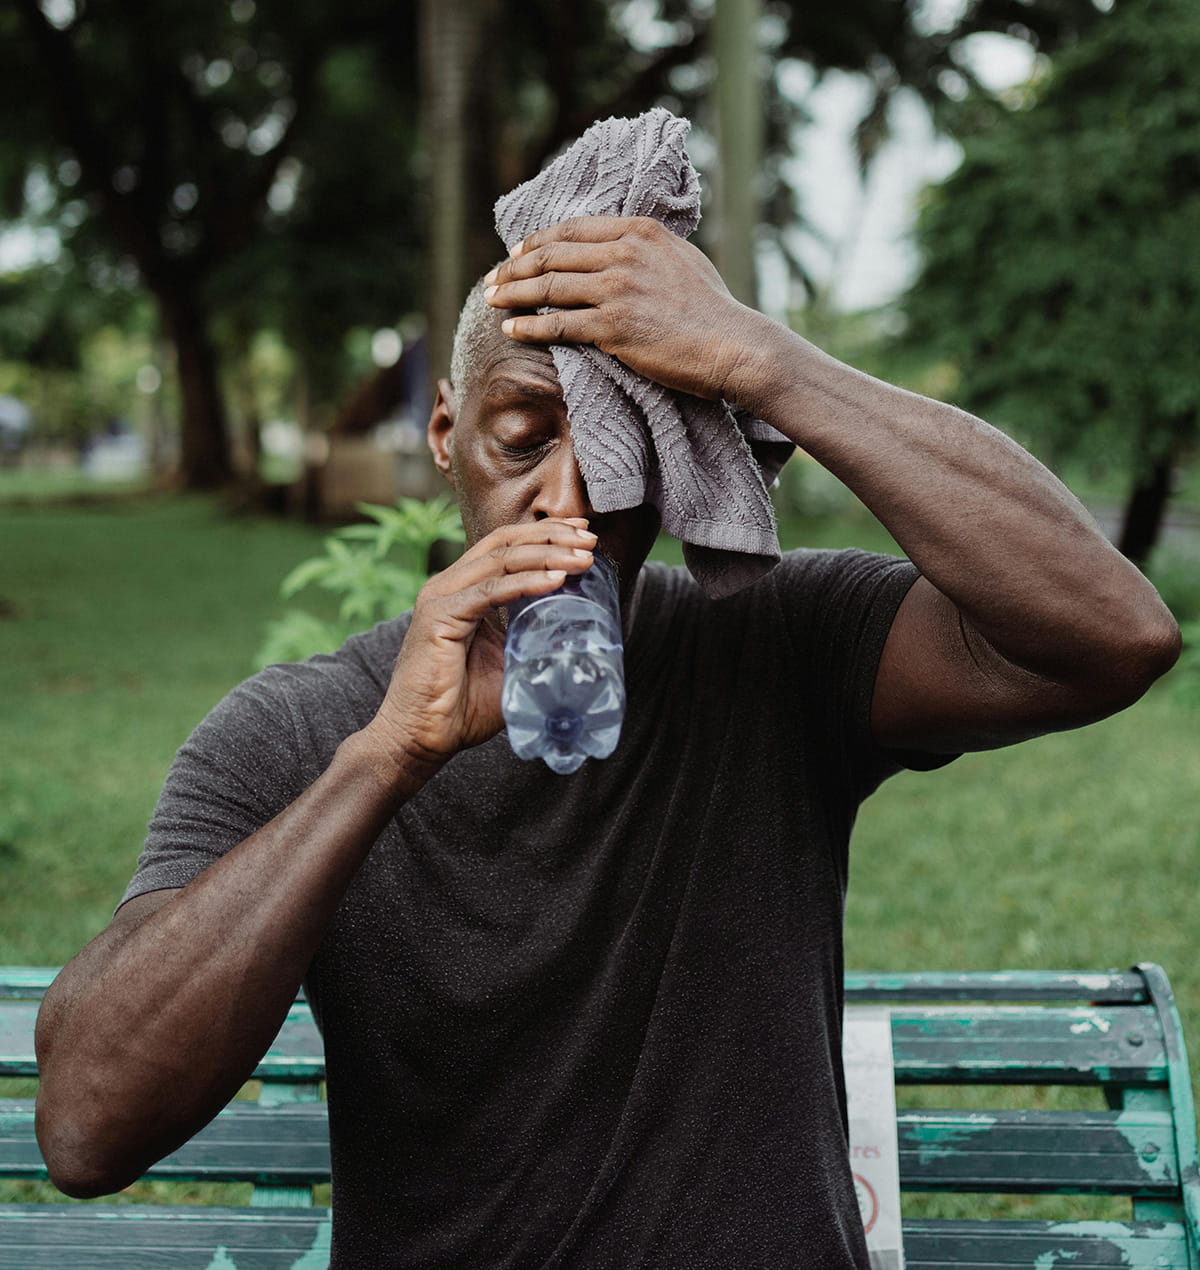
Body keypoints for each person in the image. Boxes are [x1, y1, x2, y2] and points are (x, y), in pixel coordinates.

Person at [34, 216, 1180, 1268]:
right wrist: (388, 758)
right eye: (522, 439)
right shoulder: (298, 734)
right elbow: (88, 1126)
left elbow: (1113, 636)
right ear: (447, 434)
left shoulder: (773, 647)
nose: (565, 504)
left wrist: (764, 359)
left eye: (624, 456)